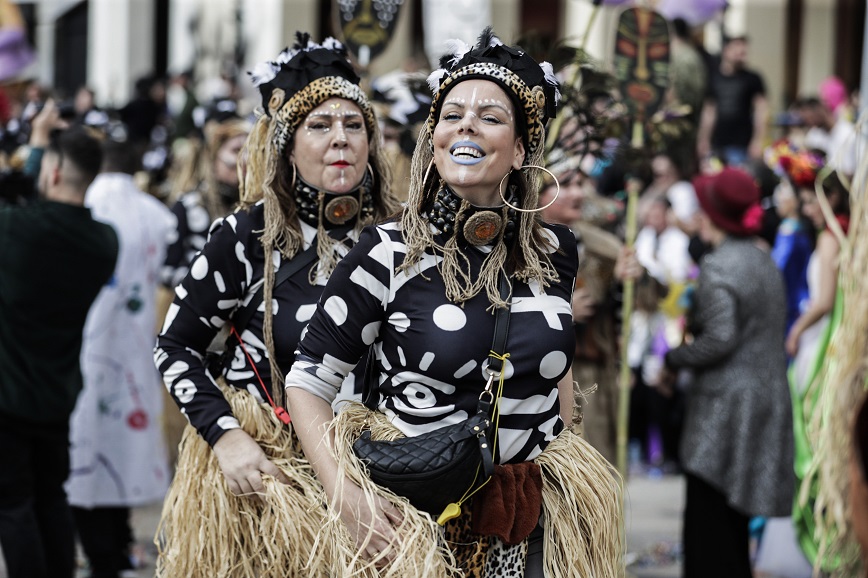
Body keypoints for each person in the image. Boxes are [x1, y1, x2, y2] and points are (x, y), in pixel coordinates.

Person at [285, 28, 622, 577]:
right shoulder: (386, 252)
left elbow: (554, 370)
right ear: (434, 138)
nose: (466, 125)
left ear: (520, 150)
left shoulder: (555, 251)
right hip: (417, 525)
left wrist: (564, 460)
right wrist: (346, 497)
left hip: (529, 522)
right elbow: (307, 381)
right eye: (452, 114)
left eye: (490, 116)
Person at [153, 34, 399, 577]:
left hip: (379, 476)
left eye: (354, 125)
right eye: (320, 125)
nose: (341, 138)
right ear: (287, 146)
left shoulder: (402, 237)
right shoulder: (245, 237)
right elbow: (174, 347)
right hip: (271, 482)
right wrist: (226, 436)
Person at [0, 102, 118, 578]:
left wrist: (34, 142)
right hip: (58, 392)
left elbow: (17, 196)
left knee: (14, 506)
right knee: (51, 498)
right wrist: (41, 148)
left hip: (7, 395)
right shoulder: (104, 241)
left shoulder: (15, 230)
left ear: (51, 172)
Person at [662, 167, 794, 578]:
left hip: (725, 407)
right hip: (764, 397)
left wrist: (674, 359)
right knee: (733, 522)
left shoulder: (720, 265)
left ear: (711, 215)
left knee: (710, 524)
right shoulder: (762, 258)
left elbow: (720, 337)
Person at [65, 133, 176, 578]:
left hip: (85, 345)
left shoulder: (84, 203)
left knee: (86, 448)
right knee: (124, 449)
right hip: (135, 349)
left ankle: (100, 552)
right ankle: (119, 546)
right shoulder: (156, 214)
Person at [697, 35, 769, 167]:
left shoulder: (753, 78)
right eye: (737, 50)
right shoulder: (714, 78)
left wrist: (758, 141)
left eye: (743, 52)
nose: (741, 55)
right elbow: (709, 111)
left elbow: (761, 111)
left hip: (742, 145)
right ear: (726, 50)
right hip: (717, 143)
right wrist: (704, 139)